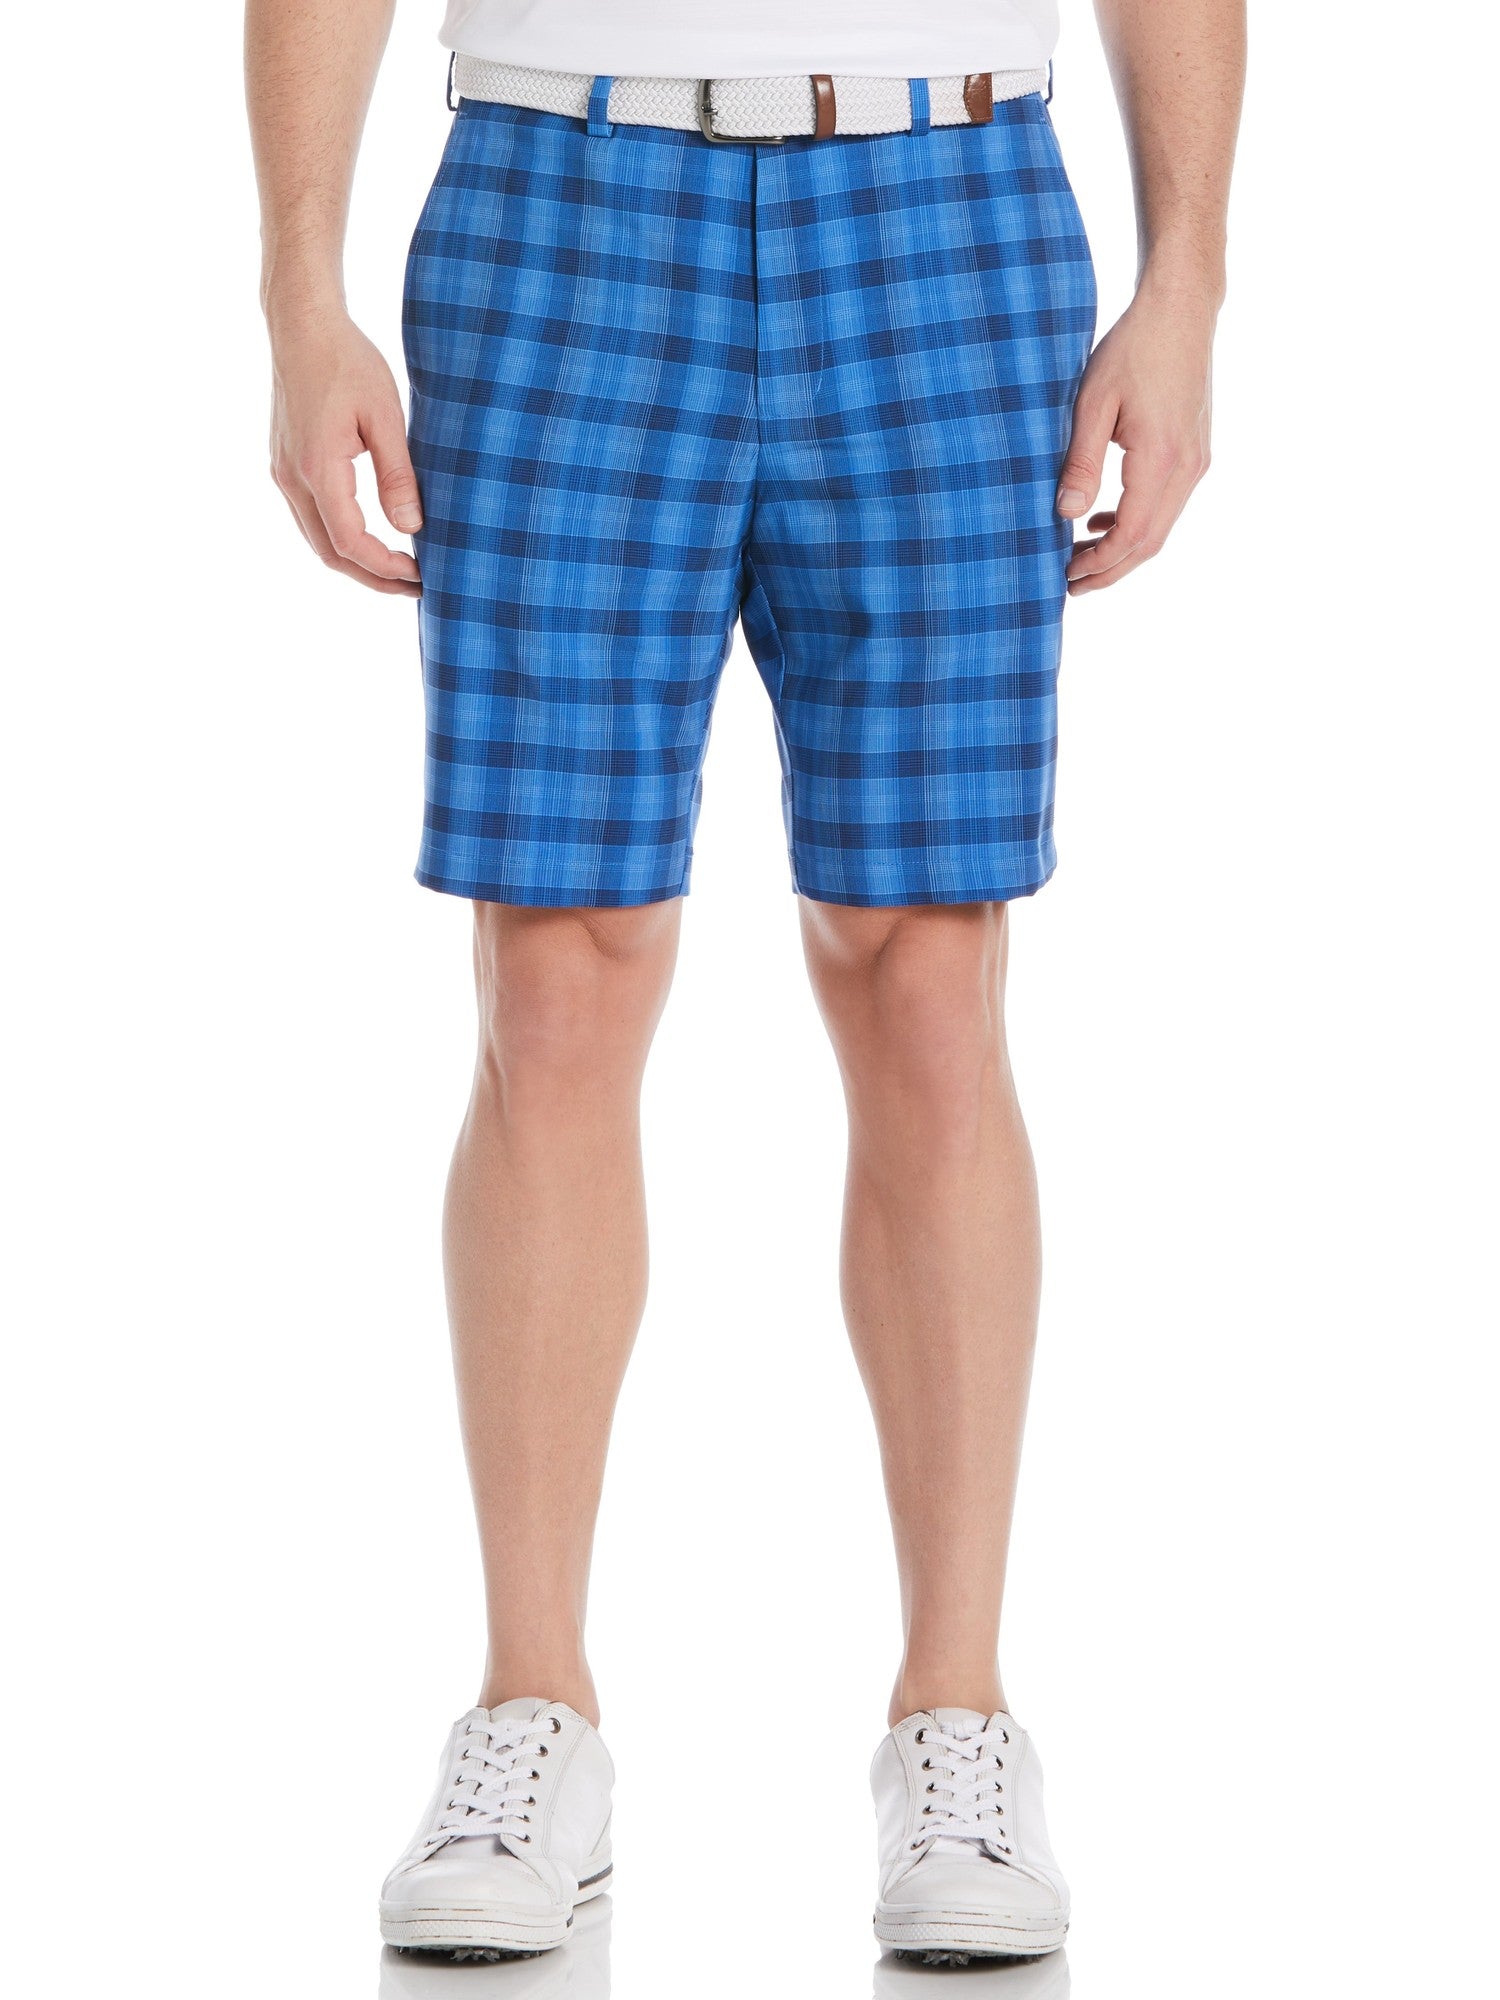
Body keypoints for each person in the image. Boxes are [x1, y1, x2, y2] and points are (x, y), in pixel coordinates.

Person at [247, 0, 1243, 1964]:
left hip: (946, 193)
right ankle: (534, 1708)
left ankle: (956, 1720)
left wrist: (1188, 275)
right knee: (556, 970)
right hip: (558, 194)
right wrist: (297, 289)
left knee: (928, 970)